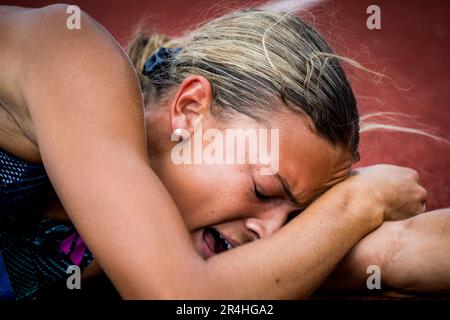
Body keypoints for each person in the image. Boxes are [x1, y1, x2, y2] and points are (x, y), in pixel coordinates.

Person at [0, 4, 445, 299]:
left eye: (294, 220)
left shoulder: (144, 244)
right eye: (264, 189)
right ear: (191, 110)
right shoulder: (68, 54)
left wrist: (384, 252)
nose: (270, 236)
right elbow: (178, 300)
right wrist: (355, 205)